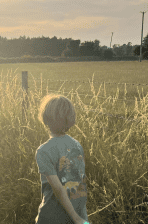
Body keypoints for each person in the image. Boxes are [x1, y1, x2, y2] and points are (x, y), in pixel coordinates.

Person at [35, 94, 90, 224]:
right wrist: (79, 217)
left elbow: (58, 189)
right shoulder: (77, 145)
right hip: (79, 213)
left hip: (53, 216)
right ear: (70, 119)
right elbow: (80, 180)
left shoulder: (43, 151)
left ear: (45, 118)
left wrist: (76, 218)